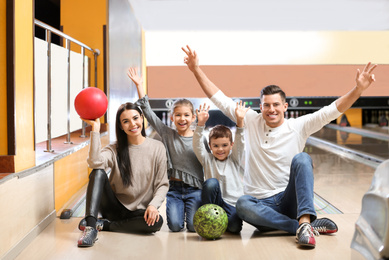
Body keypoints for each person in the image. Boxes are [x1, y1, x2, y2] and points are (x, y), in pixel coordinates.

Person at [182, 45, 377, 248]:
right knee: (242, 204)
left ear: (285, 106)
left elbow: (332, 111)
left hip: (288, 200)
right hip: (261, 207)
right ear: (260, 107)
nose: (271, 109)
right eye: (266, 105)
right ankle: (302, 225)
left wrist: (358, 90)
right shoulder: (250, 120)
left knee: (302, 159)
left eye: (276, 105)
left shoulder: (298, 125)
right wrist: (196, 69)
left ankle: (302, 222)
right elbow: (218, 97)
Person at [77, 103, 169, 247]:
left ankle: (104, 226)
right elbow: (95, 162)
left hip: (139, 211)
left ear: (142, 118)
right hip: (113, 207)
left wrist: (153, 205)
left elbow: (162, 184)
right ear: (120, 126)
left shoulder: (157, 148)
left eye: (135, 118)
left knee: (157, 223)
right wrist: (95, 131)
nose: (132, 124)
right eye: (126, 121)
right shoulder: (114, 149)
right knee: (98, 172)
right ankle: (90, 227)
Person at [128, 68, 204, 232]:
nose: (182, 119)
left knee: (193, 227)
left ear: (193, 117)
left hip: (195, 189)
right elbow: (147, 111)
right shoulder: (167, 133)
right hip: (174, 190)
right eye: (178, 115)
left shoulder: (200, 138)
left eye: (186, 115)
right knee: (175, 227)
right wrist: (139, 85)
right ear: (171, 117)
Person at [193, 101, 248, 233]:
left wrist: (240, 121)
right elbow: (197, 145)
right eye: (216, 146)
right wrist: (200, 124)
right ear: (210, 146)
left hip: (231, 203)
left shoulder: (234, 158)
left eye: (224, 145)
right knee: (211, 183)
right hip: (213, 203)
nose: (220, 149)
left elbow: (240, 141)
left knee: (234, 228)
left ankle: (222, 222)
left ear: (231, 145)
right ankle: (208, 217)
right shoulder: (207, 159)